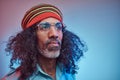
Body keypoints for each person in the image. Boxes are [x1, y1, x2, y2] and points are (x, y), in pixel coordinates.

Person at [1, 4, 87, 80]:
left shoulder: (68, 71)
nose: (54, 34)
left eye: (58, 26)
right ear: (30, 37)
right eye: (44, 27)